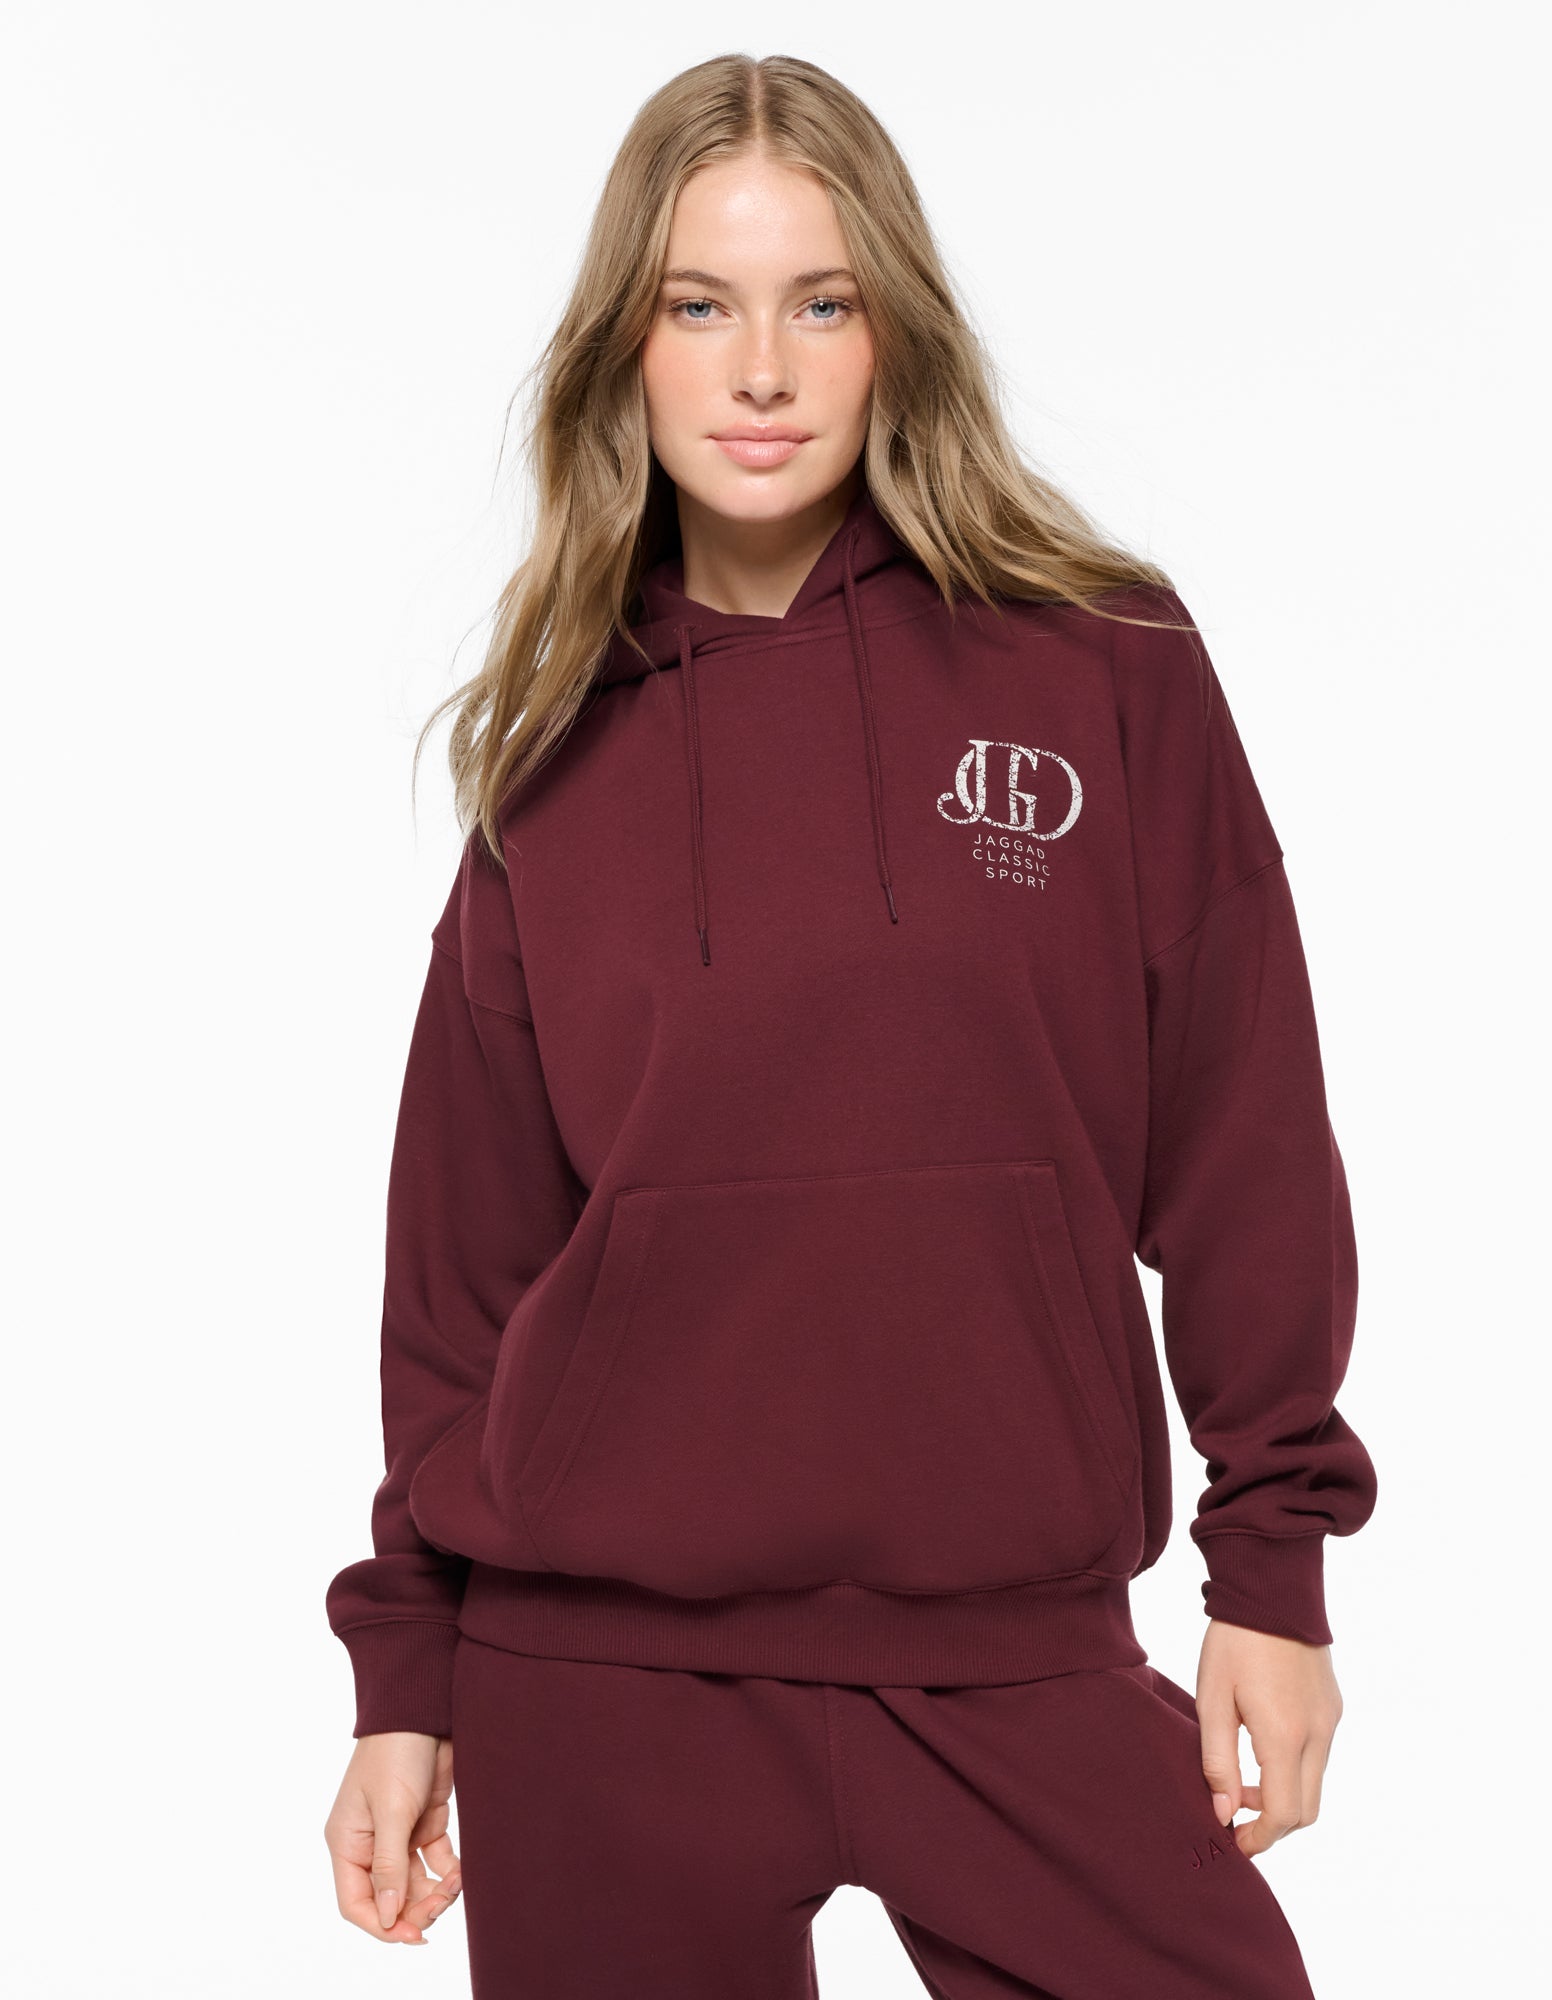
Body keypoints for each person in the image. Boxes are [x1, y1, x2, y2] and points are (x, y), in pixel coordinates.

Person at [322, 50, 1377, 1999]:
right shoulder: (553, 755)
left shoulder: (1100, 662)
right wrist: (408, 1672)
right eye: (697, 307)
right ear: (624, 353)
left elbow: (1244, 1127)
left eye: (820, 303)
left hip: (1009, 1650)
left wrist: (1274, 1567)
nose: (761, 371)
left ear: (895, 330)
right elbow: (460, 1271)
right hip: (598, 1674)